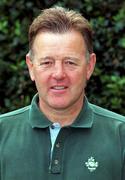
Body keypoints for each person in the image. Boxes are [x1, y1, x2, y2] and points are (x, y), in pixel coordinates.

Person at [0, 6, 125, 180]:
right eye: (47, 62)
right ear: (31, 66)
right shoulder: (2, 132)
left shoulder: (121, 136)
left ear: (89, 66)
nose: (59, 74)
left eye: (70, 62)